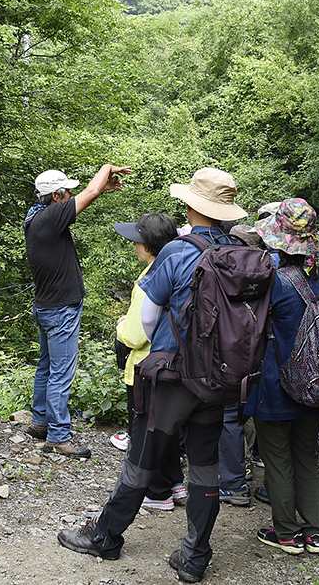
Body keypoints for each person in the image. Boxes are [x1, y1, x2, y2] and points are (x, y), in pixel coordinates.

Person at [57, 167, 247, 584]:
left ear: (189, 205)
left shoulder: (178, 252)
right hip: (220, 378)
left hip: (174, 376)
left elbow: (146, 315)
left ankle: (105, 537)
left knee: (141, 459)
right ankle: (195, 554)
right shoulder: (240, 251)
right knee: (204, 466)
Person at [246, 199, 319, 556]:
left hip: (275, 382)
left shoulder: (275, 280)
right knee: (308, 456)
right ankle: (314, 532)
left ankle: (286, 532)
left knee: (277, 457)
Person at [24, 163, 132, 458]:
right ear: (57, 196)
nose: (72, 194)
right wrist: (106, 169)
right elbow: (91, 190)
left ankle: (40, 422)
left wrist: (102, 190)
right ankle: (58, 437)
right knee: (61, 372)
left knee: (46, 366)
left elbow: (91, 194)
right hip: (60, 309)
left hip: (46, 306)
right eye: (67, 191)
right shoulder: (50, 218)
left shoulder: (37, 217)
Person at [111, 213, 185, 511]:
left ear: (150, 244)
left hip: (145, 368)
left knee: (144, 432)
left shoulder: (149, 279)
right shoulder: (176, 267)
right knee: (166, 428)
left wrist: (120, 325)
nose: (133, 245)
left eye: (137, 240)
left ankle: (158, 493)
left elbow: (134, 334)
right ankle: (176, 484)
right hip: (170, 365)